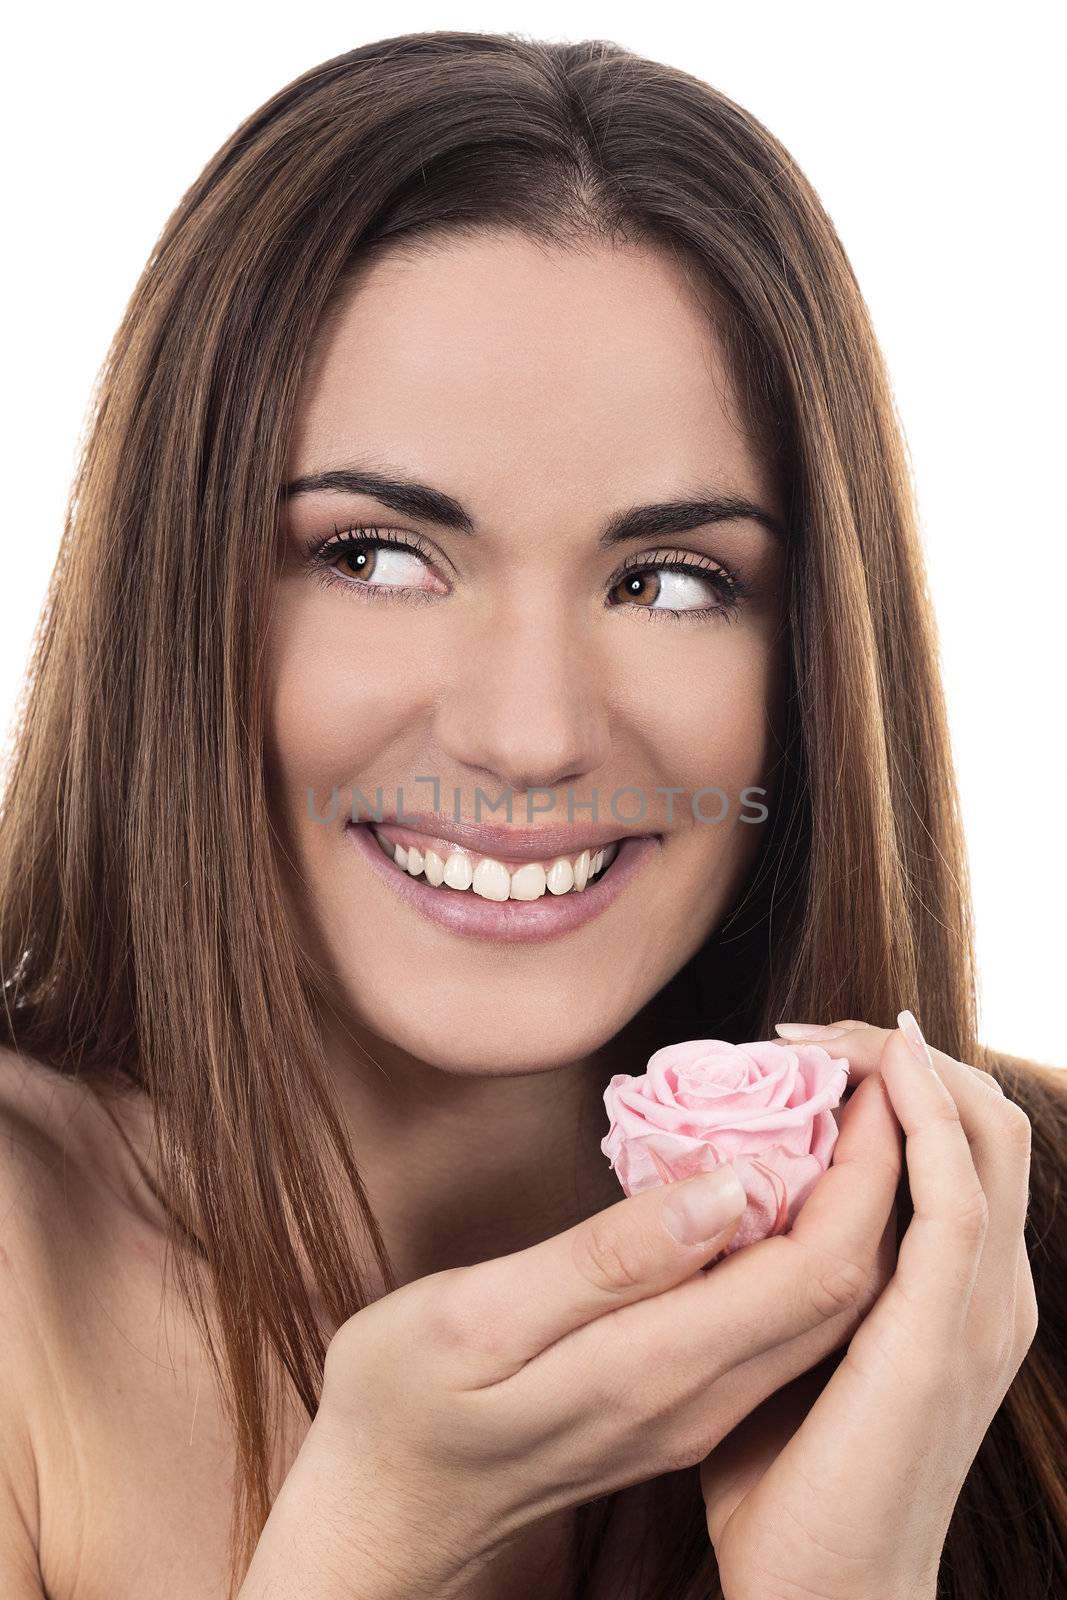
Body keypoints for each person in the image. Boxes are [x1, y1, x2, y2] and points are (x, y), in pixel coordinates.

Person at [0, 28, 1063, 1600]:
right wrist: (371, 1540)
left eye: (672, 581)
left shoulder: (1020, 1255)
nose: (530, 734)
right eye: (375, 555)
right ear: (181, 597)